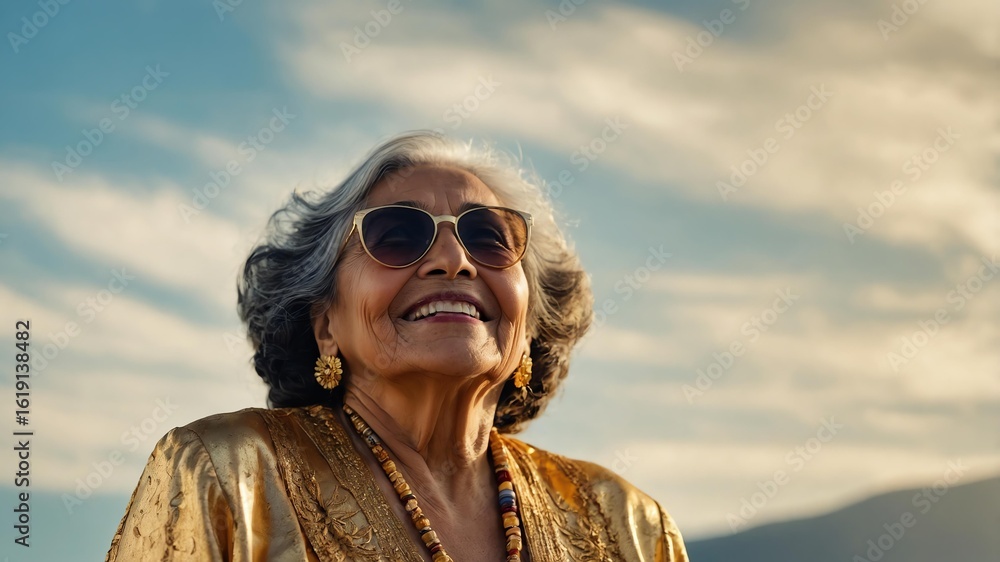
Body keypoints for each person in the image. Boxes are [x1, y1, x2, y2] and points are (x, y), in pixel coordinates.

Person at [106, 131, 688, 561]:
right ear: (326, 323)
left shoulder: (628, 525)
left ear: (531, 320)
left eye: (487, 237)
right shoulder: (228, 474)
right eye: (397, 234)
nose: (453, 260)